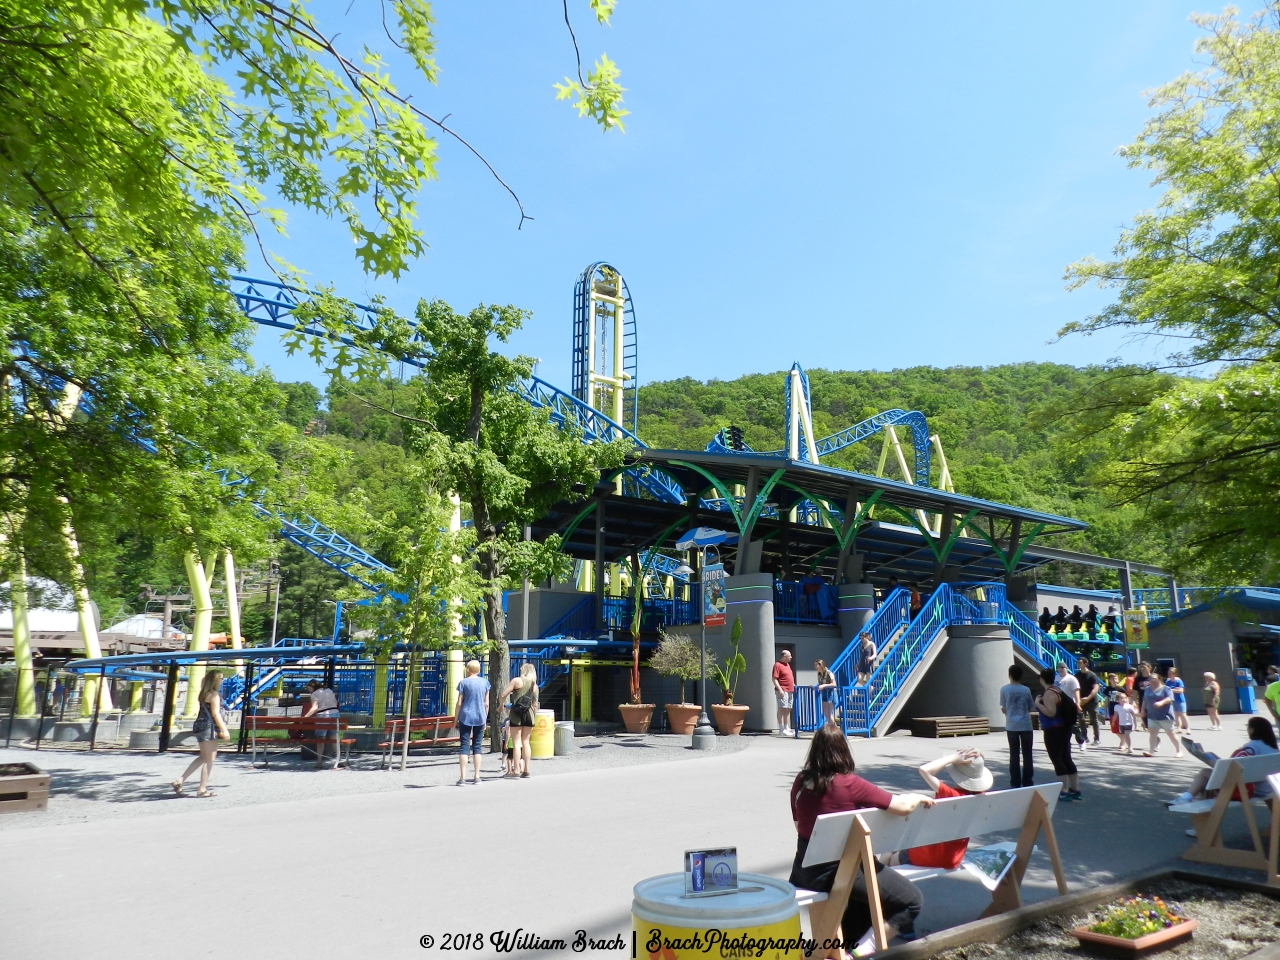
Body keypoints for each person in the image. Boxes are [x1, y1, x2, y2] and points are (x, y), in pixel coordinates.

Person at [788, 724, 935, 946]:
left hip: (805, 871)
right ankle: (864, 949)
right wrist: (917, 796)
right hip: (842, 871)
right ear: (843, 750)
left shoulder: (801, 780)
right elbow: (902, 807)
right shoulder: (849, 784)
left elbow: (798, 824)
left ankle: (846, 947)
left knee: (864, 900)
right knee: (912, 901)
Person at [885, 749, 993, 869]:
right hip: (954, 858)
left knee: (889, 852)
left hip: (931, 855)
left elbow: (924, 770)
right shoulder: (981, 797)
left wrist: (952, 758)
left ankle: (874, 883)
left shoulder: (951, 795)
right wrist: (978, 758)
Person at [1169, 718, 1280, 805]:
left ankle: (1186, 799)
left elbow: (1233, 768)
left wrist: (1206, 758)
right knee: (1208, 780)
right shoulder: (1274, 748)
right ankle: (1187, 799)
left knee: (1204, 775)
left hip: (1250, 789)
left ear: (1252, 730)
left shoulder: (1252, 746)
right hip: (1269, 788)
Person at [170, 670, 229, 798]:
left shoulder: (203, 693)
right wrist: (224, 729)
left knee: (203, 756)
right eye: (221, 678)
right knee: (210, 759)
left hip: (199, 725)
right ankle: (202, 789)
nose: (222, 680)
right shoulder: (214, 695)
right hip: (209, 726)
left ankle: (180, 780)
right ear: (215, 680)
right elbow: (215, 713)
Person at [1035, 667, 1080, 801]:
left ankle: (1064, 790)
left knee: (1057, 759)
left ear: (1042, 679)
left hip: (1053, 729)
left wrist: (1037, 703)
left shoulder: (1049, 693)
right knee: (1066, 757)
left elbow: (1050, 712)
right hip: (1064, 728)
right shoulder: (1057, 690)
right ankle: (1075, 789)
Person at [454, 659, 490, 785]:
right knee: (477, 746)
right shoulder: (485, 683)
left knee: (464, 746)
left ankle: (462, 777)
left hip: (465, 716)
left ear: (468, 669)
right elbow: (486, 704)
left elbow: (459, 703)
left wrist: (455, 719)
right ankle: (477, 776)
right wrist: (485, 719)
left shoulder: (463, 683)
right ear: (479, 670)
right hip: (480, 716)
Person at [999, 664, 1035, 788]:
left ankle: (1015, 782)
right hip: (1026, 724)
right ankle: (1028, 781)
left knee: (1014, 754)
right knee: (1027, 754)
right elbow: (1030, 706)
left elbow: (1004, 707)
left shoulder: (1004, 689)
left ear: (1009, 675)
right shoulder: (1026, 690)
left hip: (1011, 725)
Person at [501, 663, 538, 778]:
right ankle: (526, 770)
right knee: (526, 742)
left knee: (516, 742)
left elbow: (503, 694)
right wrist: (534, 717)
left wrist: (500, 705)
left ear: (523, 671)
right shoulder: (534, 686)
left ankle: (516, 771)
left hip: (516, 714)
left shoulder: (516, 681)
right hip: (529, 714)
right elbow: (535, 704)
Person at [1141, 671, 1182, 758]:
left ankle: (1179, 751)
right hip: (1152, 715)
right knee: (1152, 734)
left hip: (1165, 716)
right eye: (1150, 679)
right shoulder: (1148, 689)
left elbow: (1170, 698)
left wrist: (1161, 702)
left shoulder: (1166, 688)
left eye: (1154, 678)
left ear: (1159, 679)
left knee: (1171, 734)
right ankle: (1151, 751)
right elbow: (1145, 700)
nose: (1151, 680)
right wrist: (1142, 710)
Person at [302, 679, 341, 769]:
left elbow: (314, 707)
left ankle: (319, 761)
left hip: (323, 715)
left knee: (320, 739)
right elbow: (335, 703)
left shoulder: (315, 694)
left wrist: (305, 717)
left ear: (313, 687)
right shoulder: (329, 691)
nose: (309, 690)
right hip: (335, 714)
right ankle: (338, 760)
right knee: (334, 738)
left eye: (309, 688)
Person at [1074, 657, 1101, 748]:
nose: (1078, 664)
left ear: (1085, 664)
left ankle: (1097, 738)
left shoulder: (1092, 675)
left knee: (1094, 719)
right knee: (1081, 719)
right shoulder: (1077, 675)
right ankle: (1084, 737)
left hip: (1092, 700)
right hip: (1081, 700)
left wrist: (1088, 698)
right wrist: (1078, 700)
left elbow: (1096, 688)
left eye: (1080, 662)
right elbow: (1075, 688)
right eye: (1078, 662)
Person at [1054, 662, 1082, 748]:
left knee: (1071, 724)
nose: (1061, 669)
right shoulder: (1056, 678)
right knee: (1061, 725)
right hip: (1059, 704)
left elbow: (1076, 692)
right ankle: (1066, 743)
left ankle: (1081, 740)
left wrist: (1078, 704)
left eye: (1062, 668)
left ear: (1066, 668)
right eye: (1059, 668)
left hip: (1069, 704)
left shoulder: (1071, 679)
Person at [772, 649, 795, 736]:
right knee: (782, 708)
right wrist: (780, 689)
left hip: (790, 690)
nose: (791, 657)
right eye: (789, 656)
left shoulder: (787, 665)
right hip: (782, 690)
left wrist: (793, 685)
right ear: (784, 657)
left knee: (788, 708)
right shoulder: (777, 665)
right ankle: (781, 728)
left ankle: (786, 726)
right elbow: (774, 679)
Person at [1166, 666, 1189, 733]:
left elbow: (1181, 690)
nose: (1169, 675)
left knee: (1183, 714)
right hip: (1172, 700)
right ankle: (1179, 728)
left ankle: (1188, 728)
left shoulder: (1179, 681)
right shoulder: (1168, 681)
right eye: (1168, 674)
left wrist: (1172, 690)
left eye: (1171, 674)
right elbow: (1167, 690)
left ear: (1174, 674)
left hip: (1180, 700)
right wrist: (1175, 689)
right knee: (1176, 715)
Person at [815, 659, 837, 724]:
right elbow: (820, 684)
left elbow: (834, 684)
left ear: (821, 665)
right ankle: (833, 728)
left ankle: (834, 728)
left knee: (828, 713)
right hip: (824, 693)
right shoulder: (819, 674)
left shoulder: (829, 673)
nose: (815, 667)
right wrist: (815, 687)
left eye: (817, 665)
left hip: (831, 694)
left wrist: (824, 685)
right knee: (826, 713)